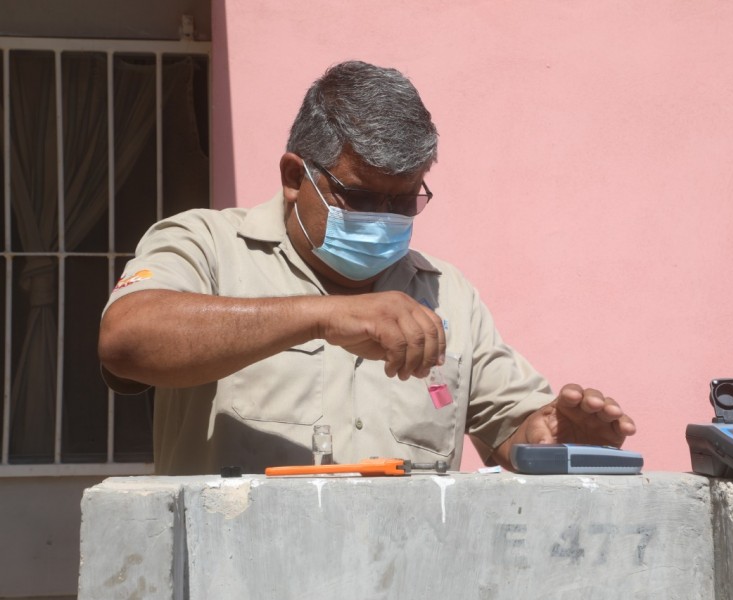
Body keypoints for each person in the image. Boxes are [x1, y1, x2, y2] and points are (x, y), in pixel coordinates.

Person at [98, 60, 636, 475]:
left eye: (403, 202)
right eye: (361, 197)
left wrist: (553, 439)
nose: (384, 220)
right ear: (294, 176)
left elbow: (511, 433)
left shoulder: (447, 294)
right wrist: (322, 317)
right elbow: (127, 340)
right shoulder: (207, 244)